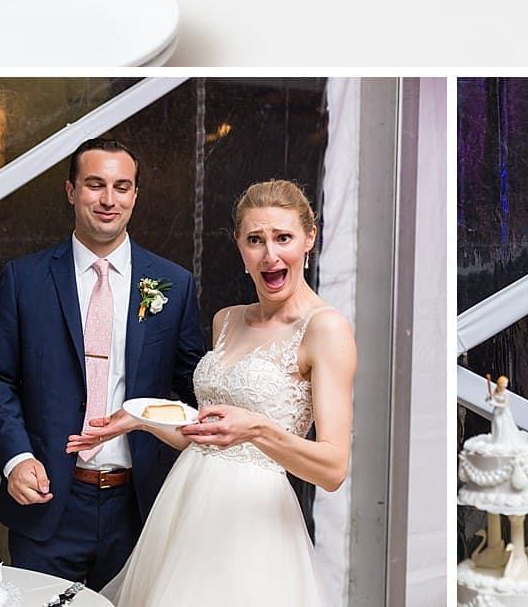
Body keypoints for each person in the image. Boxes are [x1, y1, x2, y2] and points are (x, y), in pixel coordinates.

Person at [70, 177, 356, 607]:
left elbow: (333, 468)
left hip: (253, 529)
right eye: (255, 240)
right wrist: (141, 419)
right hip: (185, 509)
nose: (270, 254)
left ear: (309, 240)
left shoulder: (325, 328)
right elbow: (205, 435)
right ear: (240, 247)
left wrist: (258, 431)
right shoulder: (228, 320)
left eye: (284, 238)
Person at [0, 136, 203, 589]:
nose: (108, 199)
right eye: (95, 184)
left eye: (122, 186)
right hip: (49, 502)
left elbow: (195, 386)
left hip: (139, 507)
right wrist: (16, 458)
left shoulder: (174, 285)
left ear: (135, 195)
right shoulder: (25, 279)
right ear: (71, 190)